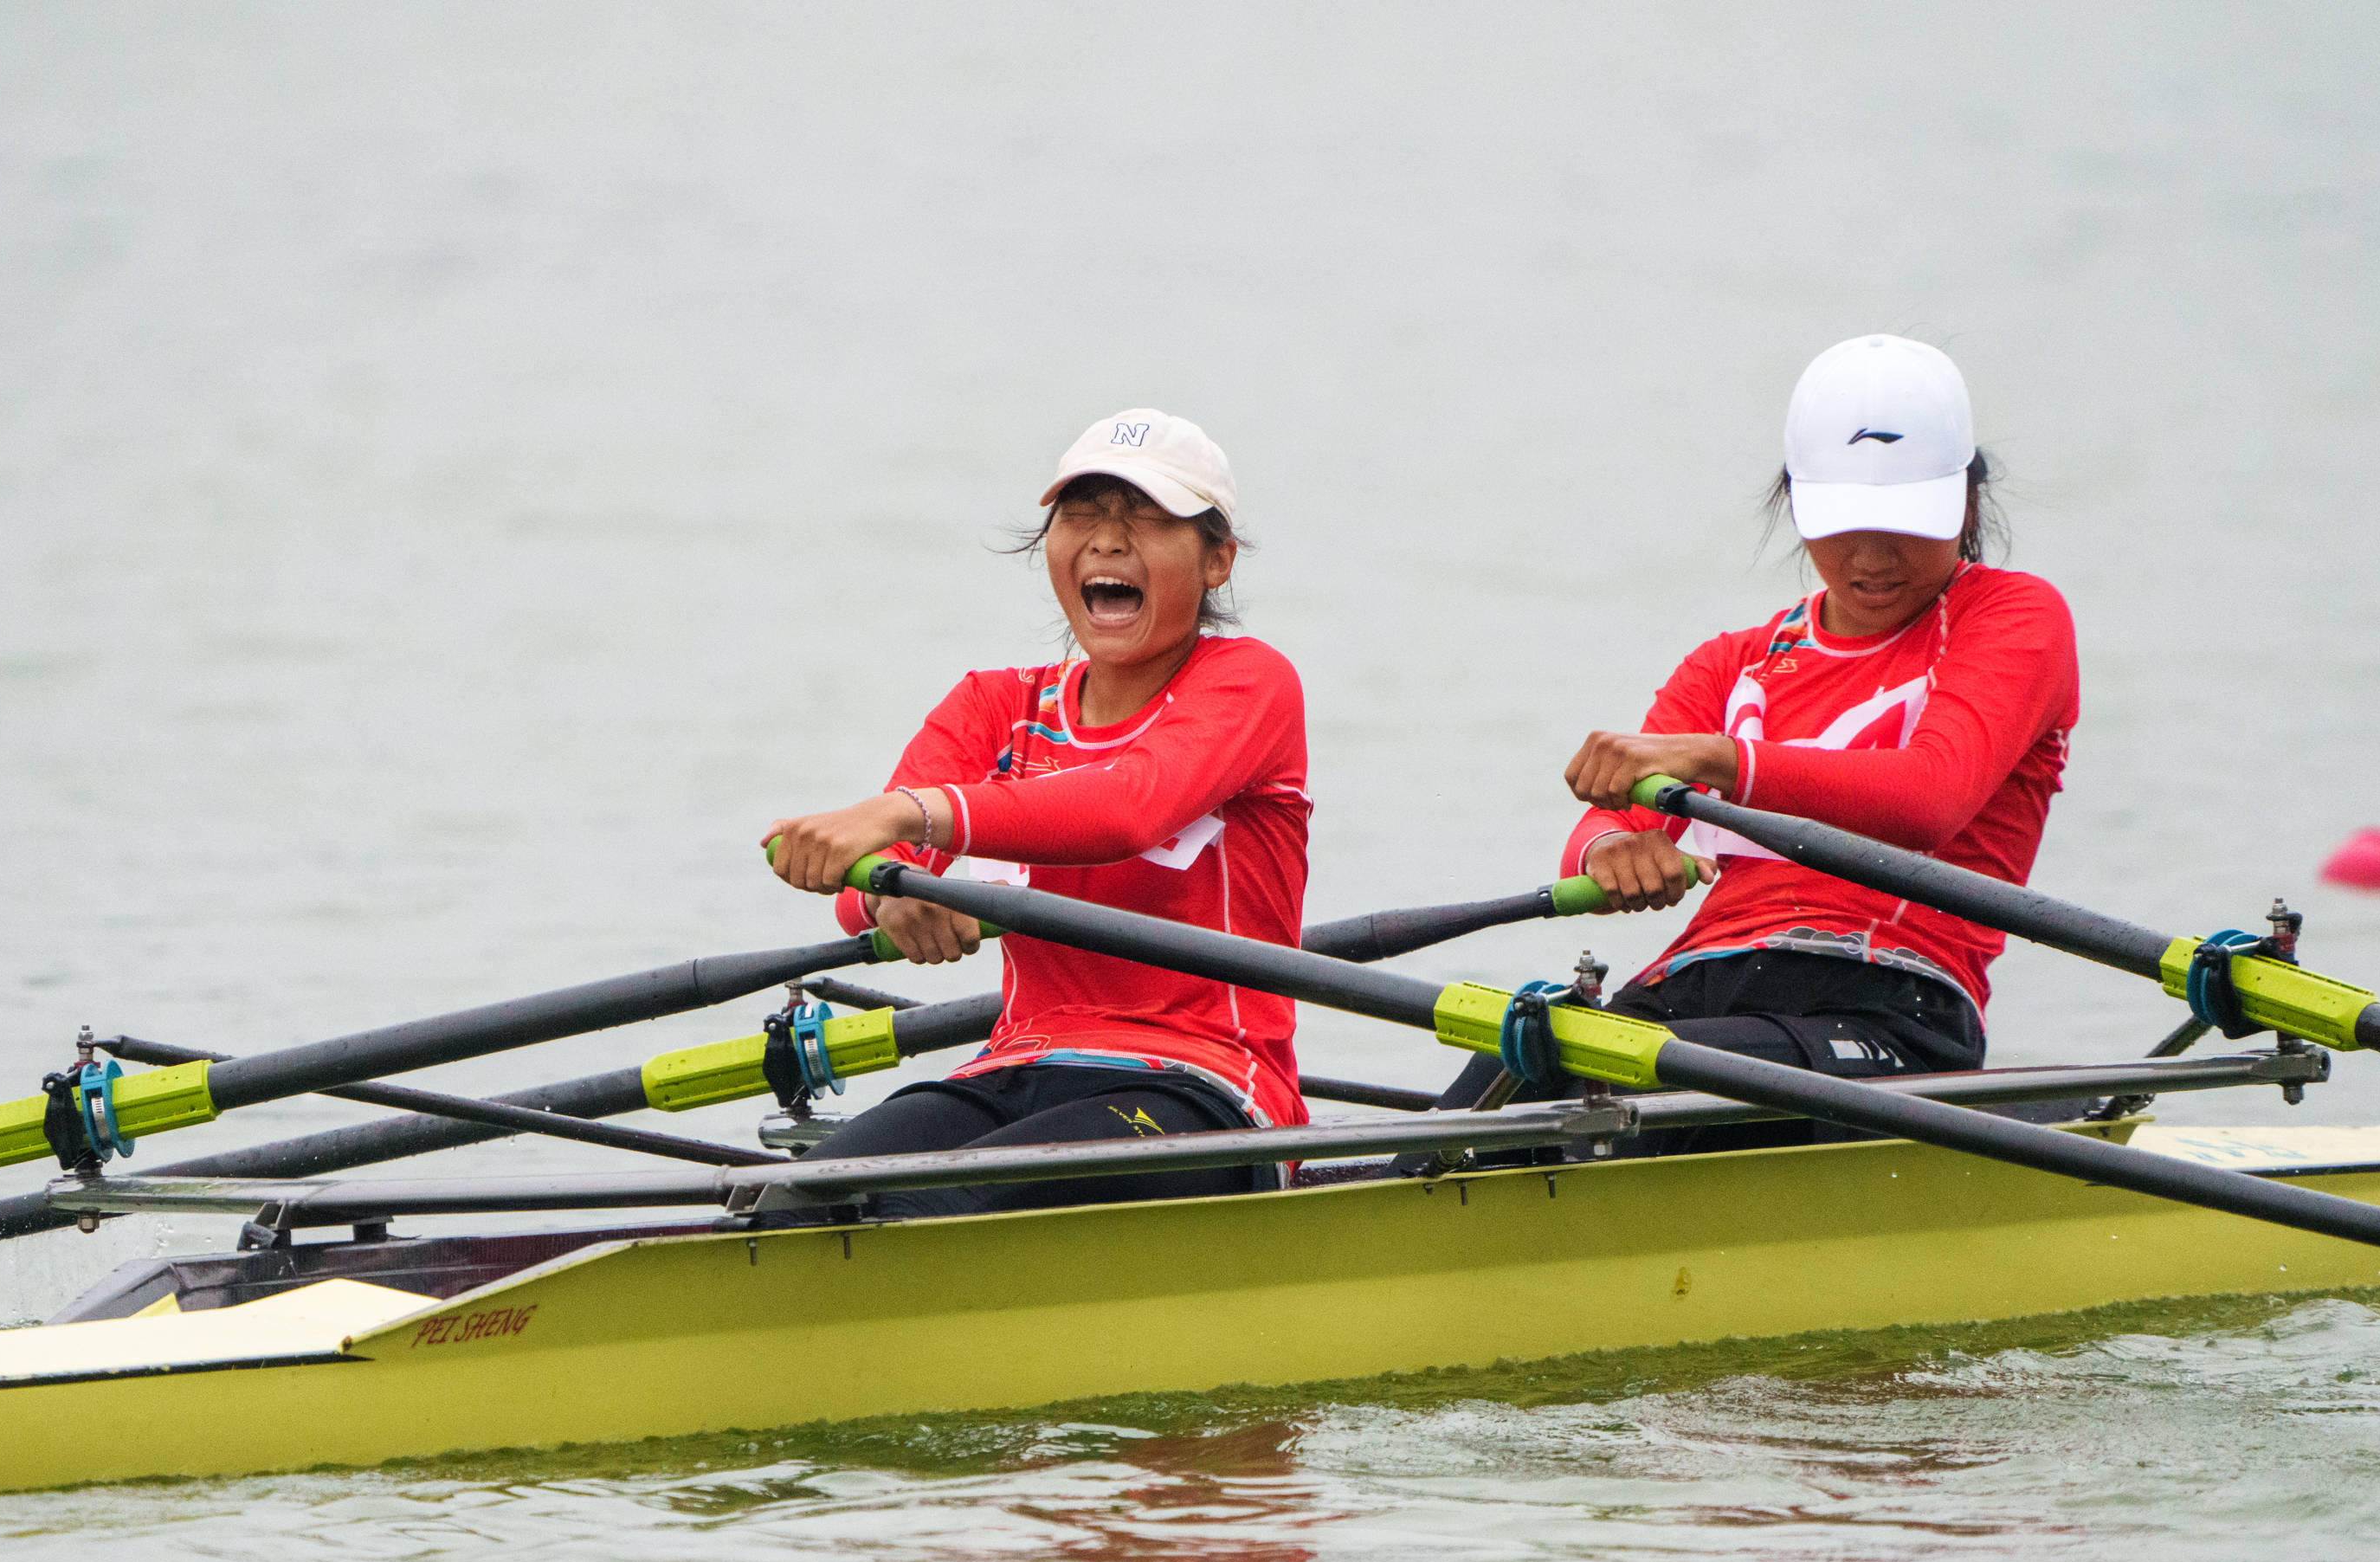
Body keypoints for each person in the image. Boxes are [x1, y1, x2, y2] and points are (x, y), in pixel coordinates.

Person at [1438, 334, 2079, 1151]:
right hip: (1697, 987)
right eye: (1844, 523)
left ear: (1964, 502)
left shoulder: (2012, 618)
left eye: (1905, 525)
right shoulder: (1732, 664)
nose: (1873, 558)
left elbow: (1931, 797)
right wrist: (1611, 851)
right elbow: (1602, 834)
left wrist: (1718, 761)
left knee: (1606, 1077)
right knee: (1525, 1054)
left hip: (1891, 1009)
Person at [762, 409, 1310, 1216]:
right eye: (1083, 514)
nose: (1109, 541)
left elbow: (1128, 809)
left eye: (1148, 519)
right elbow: (859, 890)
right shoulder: (992, 705)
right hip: (1014, 1065)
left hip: (1206, 1086)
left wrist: (909, 818)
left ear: (1218, 560)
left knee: (939, 1211)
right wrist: (893, 894)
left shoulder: (1249, 684)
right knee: (791, 1207)